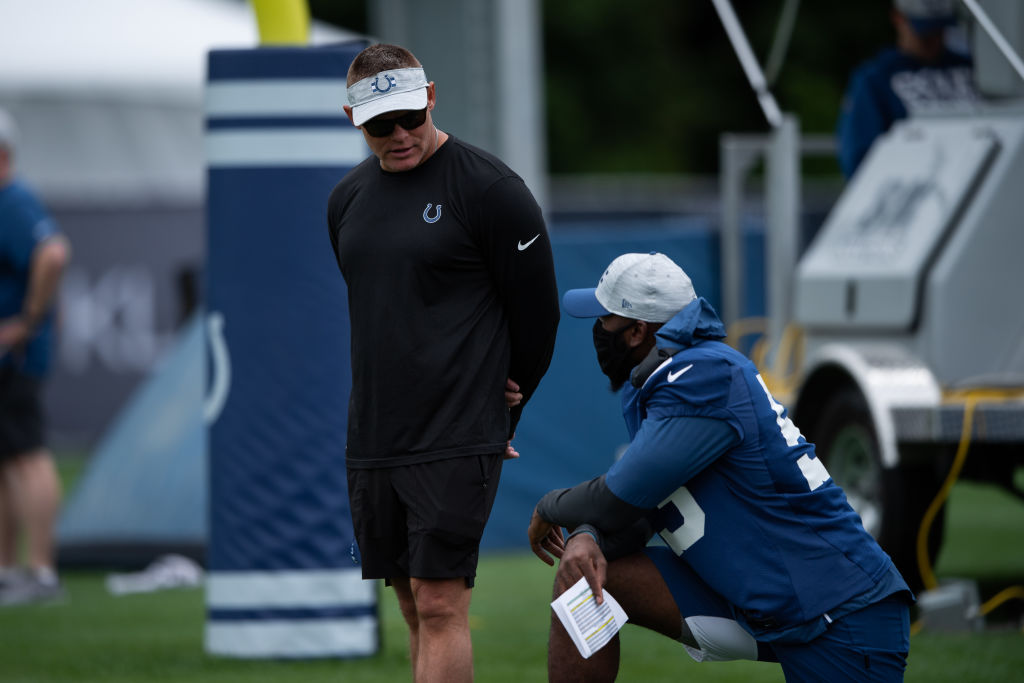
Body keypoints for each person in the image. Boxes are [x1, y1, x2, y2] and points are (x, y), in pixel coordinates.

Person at [527, 252, 913, 682]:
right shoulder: (664, 378)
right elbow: (646, 503)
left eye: (605, 319)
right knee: (582, 579)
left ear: (637, 330)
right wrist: (587, 535)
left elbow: (618, 498)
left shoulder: (703, 376)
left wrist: (551, 506)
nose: (597, 329)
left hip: (839, 612)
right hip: (763, 598)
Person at [326, 43, 559, 682]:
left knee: (439, 602)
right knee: (410, 604)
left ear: (430, 98)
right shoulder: (345, 200)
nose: (399, 135)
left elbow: (538, 316)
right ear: (354, 119)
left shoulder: (491, 190)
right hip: (374, 434)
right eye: (380, 126)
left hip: (456, 432)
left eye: (409, 117)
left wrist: (509, 402)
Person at [0, 108, 71, 606]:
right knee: (9, 459)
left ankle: (40, 570)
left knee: (26, 457)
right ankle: (9, 571)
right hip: (12, 354)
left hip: (16, 356)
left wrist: (27, 321)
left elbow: (53, 253)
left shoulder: (13, 199)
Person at [837, 0, 979, 178]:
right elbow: (859, 160)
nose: (934, 38)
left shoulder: (973, 69)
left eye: (940, 29)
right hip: (918, 187)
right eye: (925, 31)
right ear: (898, 18)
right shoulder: (875, 78)